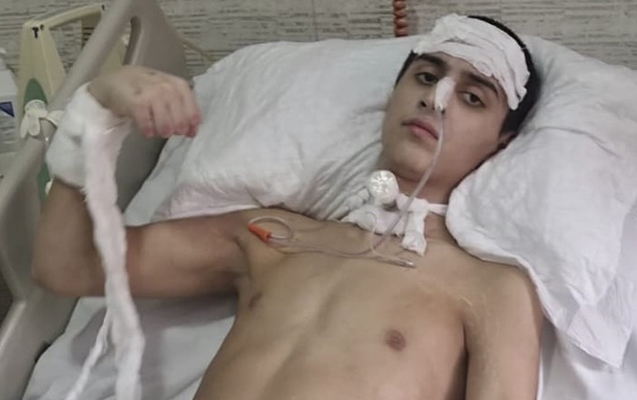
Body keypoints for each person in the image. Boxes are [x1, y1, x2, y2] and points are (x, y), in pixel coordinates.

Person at [32, 14, 543, 400]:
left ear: (501, 143)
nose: (437, 99)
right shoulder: (273, 237)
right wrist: (92, 116)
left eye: (473, 98)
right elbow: (69, 266)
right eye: (427, 76)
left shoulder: (491, 288)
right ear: (394, 95)